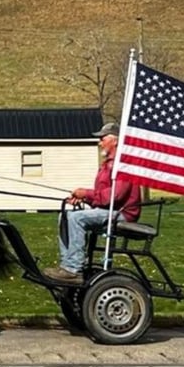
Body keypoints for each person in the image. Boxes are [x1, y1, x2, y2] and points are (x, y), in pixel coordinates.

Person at [43, 121, 142, 283]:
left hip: (123, 214)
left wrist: (86, 193)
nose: (99, 142)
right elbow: (103, 196)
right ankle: (66, 265)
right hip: (110, 211)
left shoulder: (123, 164)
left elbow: (115, 196)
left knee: (76, 218)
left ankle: (74, 269)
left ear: (115, 141)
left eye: (103, 138)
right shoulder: (107, 165)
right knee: (65, 216)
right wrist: (85, 197)